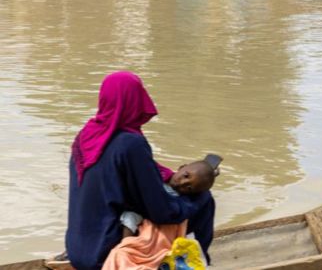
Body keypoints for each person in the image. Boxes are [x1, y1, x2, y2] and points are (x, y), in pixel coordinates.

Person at [65, 71, 215, 270]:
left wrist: (170, 176)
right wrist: (195, 196)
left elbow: (129, 170)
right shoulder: (131, 143)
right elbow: (161, 211)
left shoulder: (88, 135)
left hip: (78, 249)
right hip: (106, 253)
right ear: (135, 99)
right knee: (203, 198)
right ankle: (200, 258)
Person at [120, 156, 222, 239]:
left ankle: (126, 246)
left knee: (132, 217)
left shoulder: (180, 199)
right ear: (182, 167)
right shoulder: (160, 173)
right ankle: (125, 243)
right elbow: (146, 165)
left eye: (189, 188)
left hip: (149, 212)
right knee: (130, 217)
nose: (182, 183)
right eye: (186, 176)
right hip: (139, 205)